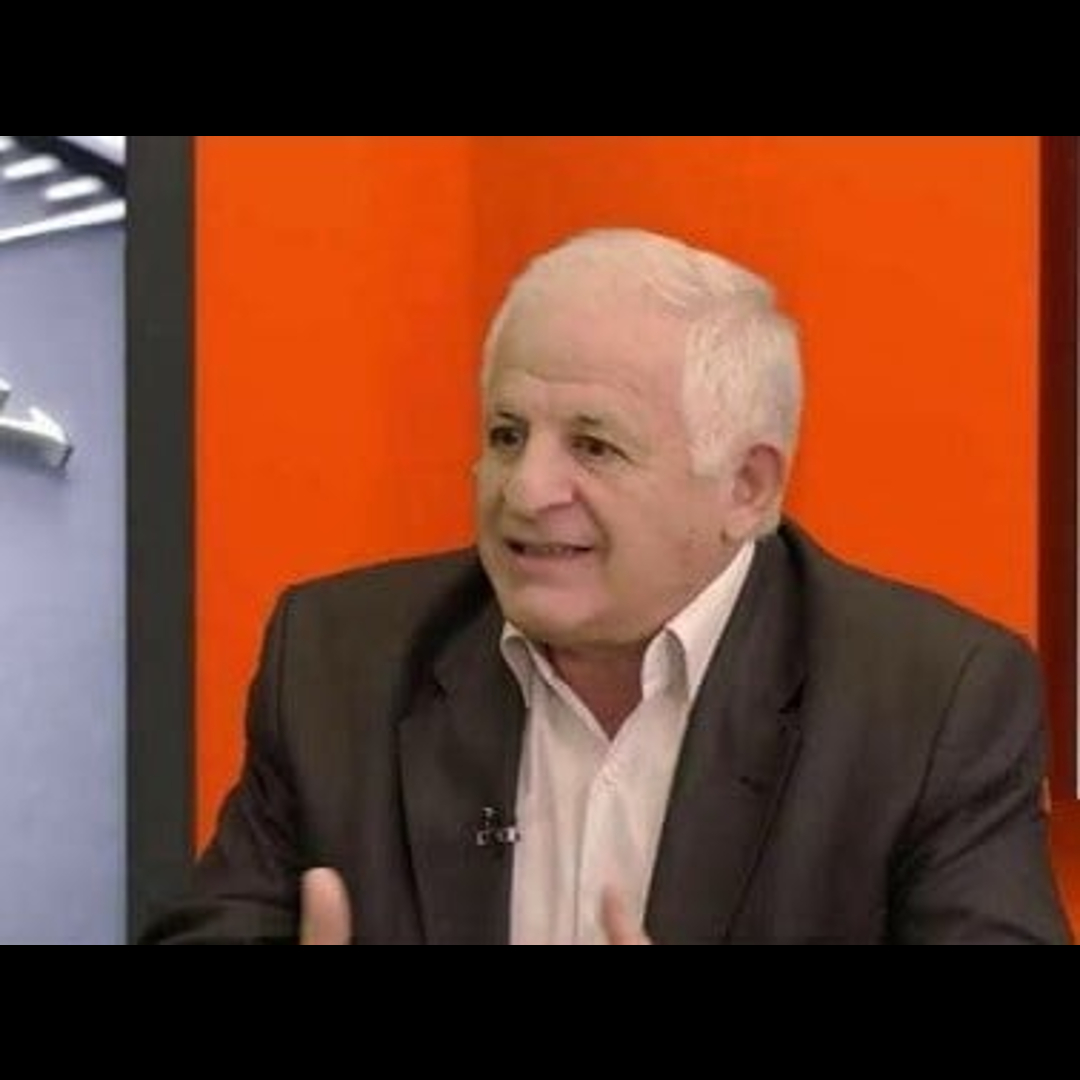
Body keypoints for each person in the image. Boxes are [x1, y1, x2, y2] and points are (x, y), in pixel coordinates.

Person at [143, 226, 1072, 945]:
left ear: (747, 488)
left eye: (594, 445)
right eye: (507, 434)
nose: (525, 490)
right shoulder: (340, 659)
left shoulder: (931, 704)